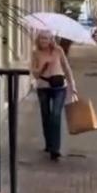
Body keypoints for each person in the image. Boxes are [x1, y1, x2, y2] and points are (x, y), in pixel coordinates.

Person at [31, 31, 78, 161]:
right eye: (41, 38)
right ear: (38, 40)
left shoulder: (58, 50)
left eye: (46, 38)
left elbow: (66, 68)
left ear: (51, 39)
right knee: (46, 116)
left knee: (55, 116)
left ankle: (55, 149)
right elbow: (35, 74)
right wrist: (42, 67)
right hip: (43, 87)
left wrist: (72, 85)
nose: (44, 41)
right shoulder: (35, 53)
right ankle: (49, 143)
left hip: (59, 87)